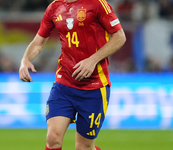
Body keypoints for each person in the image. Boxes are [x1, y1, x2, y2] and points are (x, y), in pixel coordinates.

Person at [19, 0, 126, 150]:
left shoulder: (97, 4)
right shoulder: (54, 7)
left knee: (84, 147)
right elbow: (38, 42)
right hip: (64, 83)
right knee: (53, 137)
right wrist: (25, 60)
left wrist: (93, 60)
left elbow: (120, 37)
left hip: (94, 86)